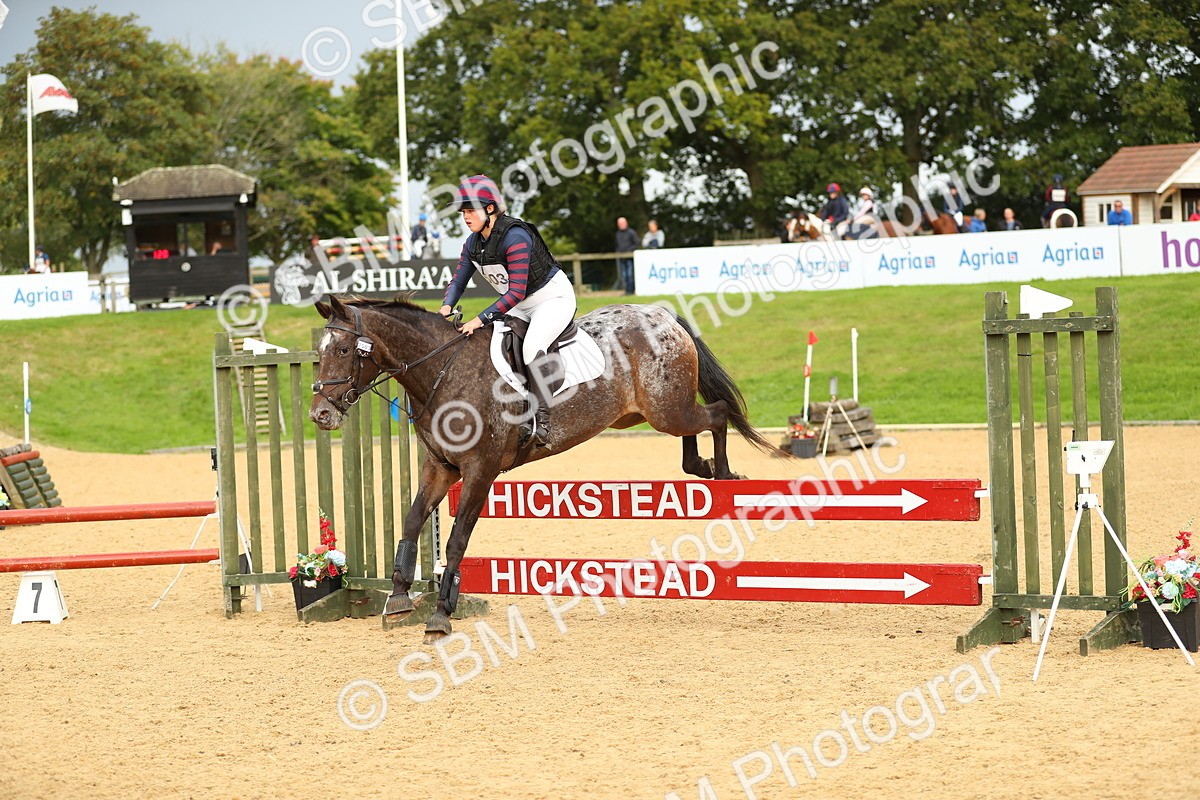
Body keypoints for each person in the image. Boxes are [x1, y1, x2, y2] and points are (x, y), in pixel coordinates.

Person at [441, 175, 576, 448]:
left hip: (552, 299)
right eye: (463, 212)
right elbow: (458, 281)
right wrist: (445, 308)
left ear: (490, 209)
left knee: (531, 347)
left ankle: (542, 420)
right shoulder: (472, 243)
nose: (466, 217)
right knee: (494, 347)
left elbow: (515, 292)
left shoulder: (515, 236)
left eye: (471, 210)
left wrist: (479, 319)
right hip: (521, 303)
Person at [614, 217, 639, 294]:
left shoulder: (631, 232)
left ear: (626, 223)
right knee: (624, 276)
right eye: (620, 223)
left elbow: (637, 243)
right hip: (622, 258)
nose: (621, 225)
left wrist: (629, 251)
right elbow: (616, 244)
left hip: (629, 258)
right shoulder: (617, 234)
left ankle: (631, 291)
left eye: (622, 223)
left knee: (630, 274)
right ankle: (626, 291)